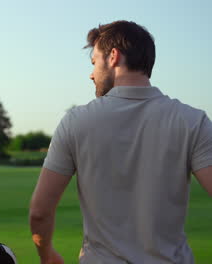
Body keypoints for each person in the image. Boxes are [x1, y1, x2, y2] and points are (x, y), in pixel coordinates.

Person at [29, 20, 212, 264]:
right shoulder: (193, 121)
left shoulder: (75, 122)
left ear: (113, 56)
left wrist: (46, 255)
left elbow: (40, 212)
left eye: (94, 62)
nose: (91, 73)